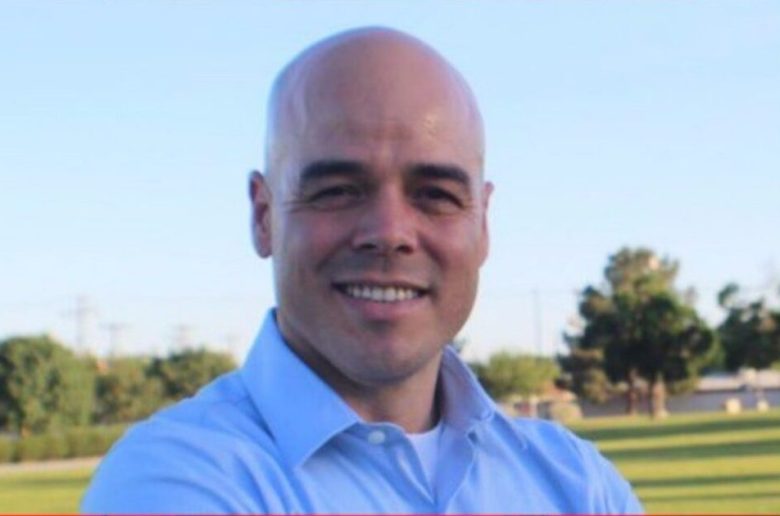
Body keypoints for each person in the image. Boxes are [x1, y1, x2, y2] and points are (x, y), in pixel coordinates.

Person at [81, 27, 643, 514]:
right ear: (263, 216)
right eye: (338, 190)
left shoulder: (576, 481)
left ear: (483, 224)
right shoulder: (173, 481)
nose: (390, 232)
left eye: (436, 194)